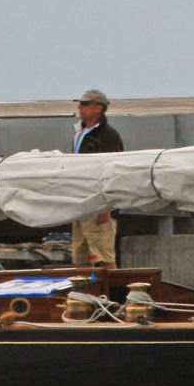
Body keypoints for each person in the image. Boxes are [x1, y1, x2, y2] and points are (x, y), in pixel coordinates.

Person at [70, 88, 124, 267]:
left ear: (98, 108)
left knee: (103, 255)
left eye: (85, 104)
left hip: (99, 205)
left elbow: (112, 170)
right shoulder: (80, 132)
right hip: (82, 203)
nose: (80, 107)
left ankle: (113, 291)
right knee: (80, 255)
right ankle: (83, 291)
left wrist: (106, 207)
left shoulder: (107, 135)